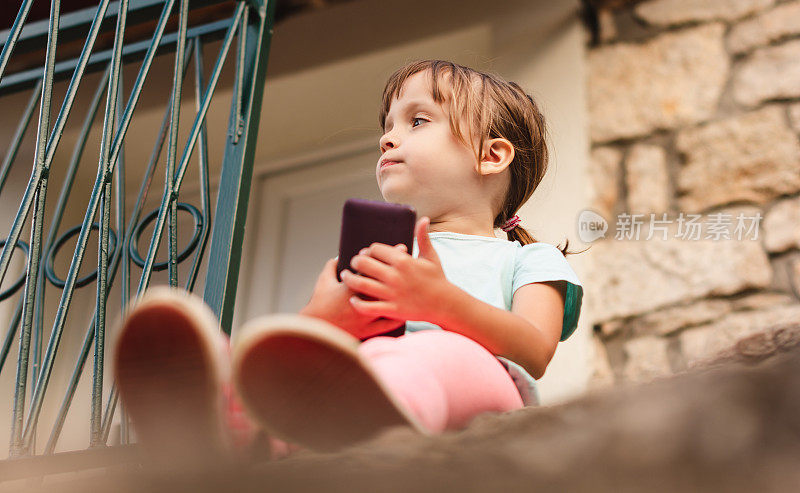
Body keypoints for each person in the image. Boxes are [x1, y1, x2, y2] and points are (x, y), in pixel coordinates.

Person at [113, 59, 584, 464]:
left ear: (492, 155)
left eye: (417, 121)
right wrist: (329, 319)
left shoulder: (529, 259)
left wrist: (439, 303)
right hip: (371, 376)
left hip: (486, 391)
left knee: (437, 352)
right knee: (336, 359)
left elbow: (534, 350)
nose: (388, 139)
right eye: (388, 127)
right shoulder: (368, 256)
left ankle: (372, 411)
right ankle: (235, 416)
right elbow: (303, 345)